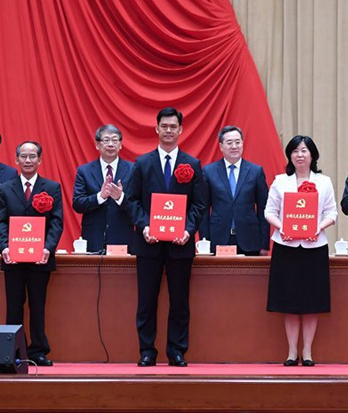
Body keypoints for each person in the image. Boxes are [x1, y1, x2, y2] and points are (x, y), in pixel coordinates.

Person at [127, 107, 205, 367]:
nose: (169, 130)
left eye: (174, 126)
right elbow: (132, 201)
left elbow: (199, 205)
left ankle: (177, 350)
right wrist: (145, 225)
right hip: (148, 244)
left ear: (181, 130)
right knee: (146, 301)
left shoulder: (192, 165)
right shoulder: (142, 163)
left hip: (180, 245)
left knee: (180, 301)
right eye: (165, 126)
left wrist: (187, 230)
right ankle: (147, 350)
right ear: (157, 129)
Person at [265, 135, 337, 367]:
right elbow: (269, 212)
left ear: (312, 154)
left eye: (304, 150)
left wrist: (317, 228)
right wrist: (282, 227)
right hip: (286, 247)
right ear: (290, 155)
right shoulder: (280, 181)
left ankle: (307, 352)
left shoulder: (324, 182)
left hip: (314, 247)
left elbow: (332, 214)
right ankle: (290, 351)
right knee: (289, 301)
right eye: (295, 151)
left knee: (311, 301)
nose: (300, 155)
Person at [0, 141, 63, 366]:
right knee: (14, 306)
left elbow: (57, 222)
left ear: (39, 160)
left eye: (32, 156)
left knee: (38, 305)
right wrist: (4, 247)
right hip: (13, 259)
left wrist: (48, 248)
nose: (28, 160)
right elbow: (1, 222)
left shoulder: (52, 187)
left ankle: (38, 351)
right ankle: (15, 352)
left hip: (40, 259)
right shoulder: (5, 188)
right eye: (23, 156)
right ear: (16, 160)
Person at [201, 125, 269, 255]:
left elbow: (263, 209)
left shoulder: (256, 171)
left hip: (250, 240)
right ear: (221, 146)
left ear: (243, 144)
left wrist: (264, 244)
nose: (234, 146)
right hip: (218, 239)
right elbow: (204, 210)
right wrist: (205, 241)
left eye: (238, 142)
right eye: (229, 142)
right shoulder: (209, 171)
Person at [72, 125, 134, 252]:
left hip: (123, 236)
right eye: (106, 140)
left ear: (121, 145)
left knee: (121, 271)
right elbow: (77, 204)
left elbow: (138, 205)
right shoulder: (84, 171)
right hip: (93, 236)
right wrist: (100, 197)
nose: (110, 144)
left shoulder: (133, 170)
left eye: (115, 140)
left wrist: (120, 198)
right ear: (97, 145)